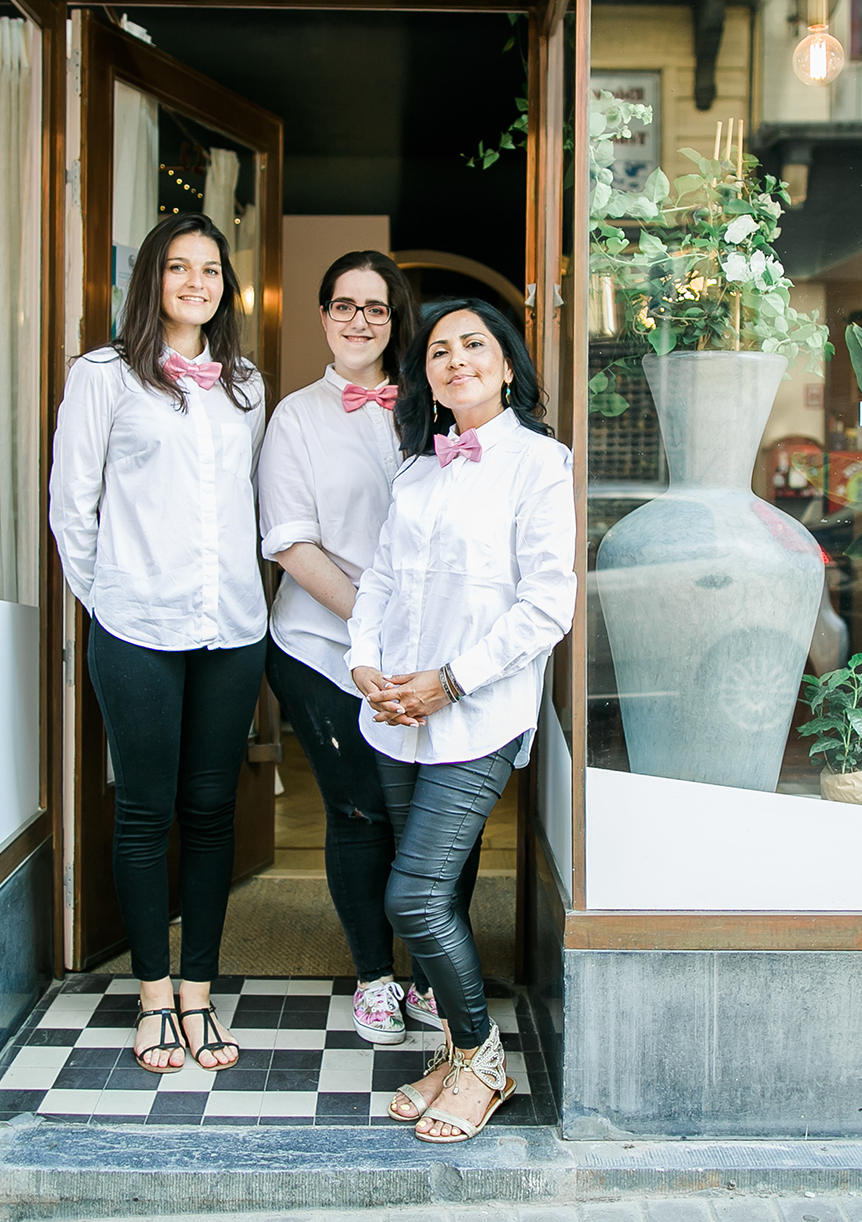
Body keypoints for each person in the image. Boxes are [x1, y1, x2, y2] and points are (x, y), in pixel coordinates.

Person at [347, 298, 575, 1143]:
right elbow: (379, 581)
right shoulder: (416, 469)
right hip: (394, 713)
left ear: (508, 366)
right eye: (438, 351)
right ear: (426, 378)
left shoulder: (541, 464)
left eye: (474, 345)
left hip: (476, 716)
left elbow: (548, 604)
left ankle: (483, 1057)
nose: (455, 360)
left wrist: (450, 680)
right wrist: (363, 664)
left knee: (411, 896)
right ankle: (451, 1050)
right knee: (432, 893)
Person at [49, 212, 265, 1076]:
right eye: (179, 267)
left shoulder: (245, 383)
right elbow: (75, 507)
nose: (196, 282)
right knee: (144, 811)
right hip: (136, 625)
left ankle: (200, 991)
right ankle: (151, 994)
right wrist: (110, 601)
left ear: (225, 285)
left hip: (231, 629)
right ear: (151, 279)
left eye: (211, 269)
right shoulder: (103, 376)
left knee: (212, 812)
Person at [258, 253, 488, 1048]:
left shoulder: (440, 408)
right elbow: (290, 544)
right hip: (324, 647)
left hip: (435, 662)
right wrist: (377, 628)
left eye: (377, 308)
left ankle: (429, 972)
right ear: (322, 315)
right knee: (359, 812)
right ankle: (373, 978)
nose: (359, 320)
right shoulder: (294, 418)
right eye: (344, 305)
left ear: (400, 321)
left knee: (435, 815)